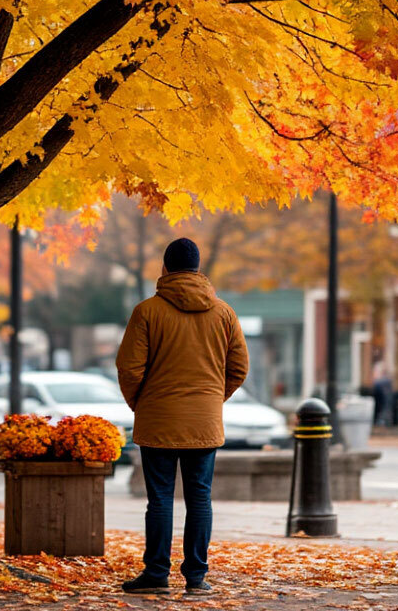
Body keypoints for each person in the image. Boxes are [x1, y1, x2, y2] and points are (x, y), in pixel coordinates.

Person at [115, 237, 249, 596]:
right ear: (198, 268)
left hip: (158, 419)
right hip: (204, 421)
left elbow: (129, 368)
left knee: (159, 498)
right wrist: (212, 400)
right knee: (200, 498)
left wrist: (140, 403)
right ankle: (196, 577)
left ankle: (157, 574)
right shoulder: (224, 313)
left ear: (165, 268)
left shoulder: (147, 311)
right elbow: (239, 367)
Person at [371, 354, 394, 427]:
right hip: (386, 411)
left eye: (375, 371)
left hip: (381, 411)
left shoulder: (380, 382)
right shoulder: (387, 381)